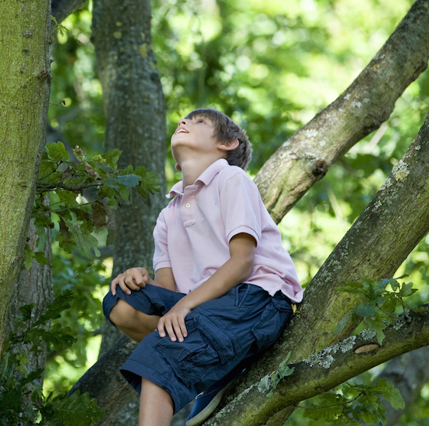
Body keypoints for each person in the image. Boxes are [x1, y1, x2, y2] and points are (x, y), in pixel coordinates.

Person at [103, 108, 303, 426]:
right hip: (206, 308)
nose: (183, 122)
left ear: (227, 143)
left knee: (160, 351)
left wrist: (183, 306)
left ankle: (202, 357)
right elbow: (168, 294)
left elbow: (242, 260)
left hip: (258, 299)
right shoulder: (169, 215)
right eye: (183, 120)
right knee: (121, 302)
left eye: (198, 122)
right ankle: (213, 361)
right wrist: (137, 277)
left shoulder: (231, 178)